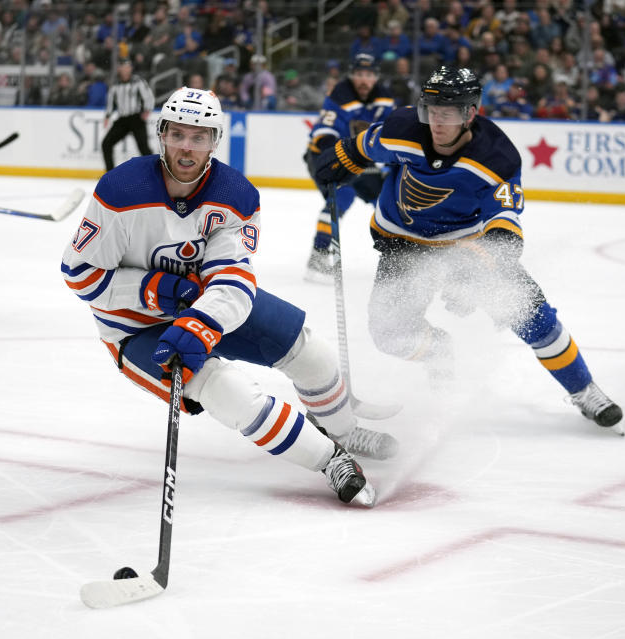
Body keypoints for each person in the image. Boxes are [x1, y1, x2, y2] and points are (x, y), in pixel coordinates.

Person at [61, 87, 400, 508]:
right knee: (230, 392)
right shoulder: (120, 190)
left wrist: (201, 321)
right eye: (178, 134)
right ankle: (332, 460)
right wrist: (154, 289)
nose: (187, 146)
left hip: (208, 306)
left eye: (199, 136)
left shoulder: (235, 195)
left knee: (312, 353)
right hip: (134, 327)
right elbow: (81, 275)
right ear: (161, 133)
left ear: (215, 140)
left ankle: (343, 430)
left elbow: (233, 278)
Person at [312, 66, 623, 432]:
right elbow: (363, 146)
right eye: (430, 112)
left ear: (470, 113)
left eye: (448, 114)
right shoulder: (402, 129)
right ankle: (438, 351)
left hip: (467, 246)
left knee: (530, 314)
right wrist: (339, 161)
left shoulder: (497, 159)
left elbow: (504, 232)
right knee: (390, 335)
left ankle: (585, 390)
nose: (436, 123)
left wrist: (472, 272)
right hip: (402, 243)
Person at [303, 53, 396, 282]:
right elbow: (324, 134)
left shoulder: (384, 98)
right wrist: (335, 161)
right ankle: (319, 254)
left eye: (369, 75)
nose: (364, 80)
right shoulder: (340, 95)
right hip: (324, 155)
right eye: (359, 74)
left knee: (387, 201)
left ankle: (397, 255)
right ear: (352, 75)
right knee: (343, 196)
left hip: (362, 158)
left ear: (376, 77)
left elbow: (391, 134)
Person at [101, 59, 155, 172]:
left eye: (128, 67)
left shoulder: (138, 81)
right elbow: (110, 101)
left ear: (131, 68)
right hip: (122, 120)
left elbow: (148, 96)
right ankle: (110, 174)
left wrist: (147, 110)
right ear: (119, 69)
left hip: (136, 118)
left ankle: (154, 172)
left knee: (144, 148)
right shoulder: (115, 84)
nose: (126, 69)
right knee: (106, 144)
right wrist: (107, 116)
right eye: (123, 67)